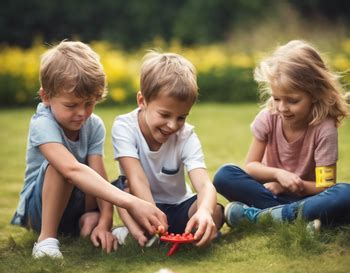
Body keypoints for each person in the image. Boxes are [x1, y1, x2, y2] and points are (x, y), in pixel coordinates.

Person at [11, 41, 167, 259]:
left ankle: (91, 223)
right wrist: (131, 202)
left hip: (75, 202)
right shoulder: (42, 123)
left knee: (115, 182)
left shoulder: (93, 125)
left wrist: (104, 222)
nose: (82, 113)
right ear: (46, 97)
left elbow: (98, 174)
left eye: (89, 103)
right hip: (38, 210)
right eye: (71, 105)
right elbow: (71, 170)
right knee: (61, 169)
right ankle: (46, 240)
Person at [213, 40, 350, 229]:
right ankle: (298, 218)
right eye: (276, 98)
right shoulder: (269, 117)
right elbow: (251, 167)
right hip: (270, 192)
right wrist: (278, 176)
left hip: (310, 197)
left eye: (293, 101)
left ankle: (259, 217)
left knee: (344, 194)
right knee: (224, 175)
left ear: (315, 94)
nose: (282, 108)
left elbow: (324, 186)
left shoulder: (324, 129)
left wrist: (290, 185)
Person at [111, 51, 224, 247]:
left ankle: (170, 234)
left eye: (181, 117)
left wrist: (204, 211)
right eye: (164, 114)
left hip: (178, 205)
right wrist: (154, 215)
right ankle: (139, 232)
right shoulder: (124, 127)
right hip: (142, 205)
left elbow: (205, 185)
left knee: (216, 211)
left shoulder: (186, 136)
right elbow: (137, 178)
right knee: (124, 187)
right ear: (142, 101)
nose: (172, 125)